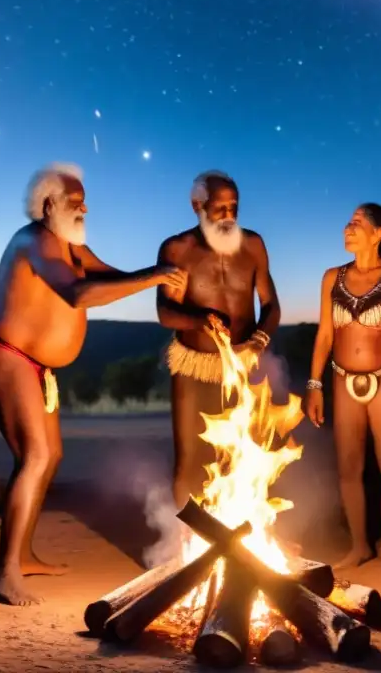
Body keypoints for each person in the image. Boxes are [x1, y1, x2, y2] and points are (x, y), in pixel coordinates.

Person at [0, 162, 187, 606]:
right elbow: (77, 293)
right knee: (35, 456)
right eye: (76, 199)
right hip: (8, 358)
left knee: (49, 457)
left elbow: (106, 275)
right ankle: (4, 573)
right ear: (49, 204)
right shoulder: (34, 241)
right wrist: (152, 277)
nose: (85, 206)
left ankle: (23, 554)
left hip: (34, 367)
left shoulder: (70, 246)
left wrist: (159, 271)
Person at [303, 204, 381, 578]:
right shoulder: (331, 278)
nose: (348, 228)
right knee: (349, 468)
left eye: (357, 224)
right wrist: (315, 384)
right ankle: (360, 545)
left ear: (378, 234)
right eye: (348, 222)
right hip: (342, 379)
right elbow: (325, 334)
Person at [155, 170, 281, 510]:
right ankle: (182, 546)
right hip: (193, 364)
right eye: (219, 208)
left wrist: (258, 341)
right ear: (198, 205)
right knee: (190, 456)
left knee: (240, 452)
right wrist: (200, 320)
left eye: (234, 207)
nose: (228, 216)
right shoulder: (177, 249)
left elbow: (270, 304)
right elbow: (166, 311)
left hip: (242, 362)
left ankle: (236, 540)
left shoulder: (253, 245)